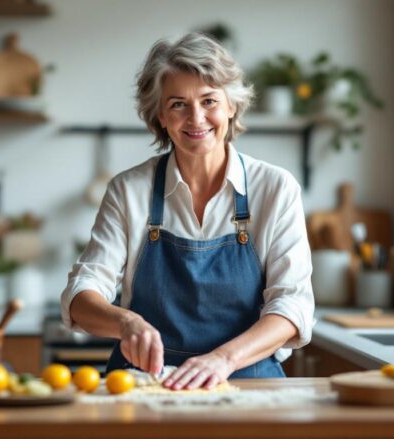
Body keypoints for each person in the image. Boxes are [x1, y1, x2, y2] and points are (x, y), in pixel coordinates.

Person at [61, 32, 314, 390]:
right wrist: (126, 323)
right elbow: (81, 295)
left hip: (248, 382)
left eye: (209, 100)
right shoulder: (128, 191)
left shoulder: (275, 188)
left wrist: (224, 359)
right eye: (178, 104)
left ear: (231, 105)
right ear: (161, 116)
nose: (196, 119)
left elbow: (292, 306)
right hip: (146, 384)